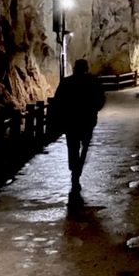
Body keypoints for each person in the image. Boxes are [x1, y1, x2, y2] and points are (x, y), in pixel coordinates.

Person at [51, 59, 105, 191]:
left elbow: (58, 101)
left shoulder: (67, 82)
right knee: (85, 146)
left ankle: (74, 168)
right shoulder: (93, 82)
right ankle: (77, 169)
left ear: (75, 68)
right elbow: (100, 99)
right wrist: (94, 109)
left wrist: (60, 118)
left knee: (72, 146)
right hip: (87, 120)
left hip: (71, 121)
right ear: (86, 68)